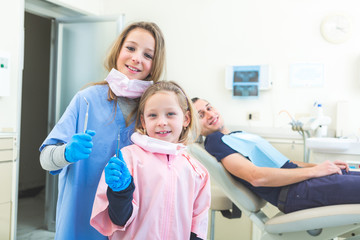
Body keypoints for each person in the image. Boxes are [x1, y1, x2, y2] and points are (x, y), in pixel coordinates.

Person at [39, 21, 166, 240]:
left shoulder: (155, 112)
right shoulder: (86, 100)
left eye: (148, 55)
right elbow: (45, 159)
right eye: (131, 48)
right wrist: (66, 153)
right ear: (118, 50)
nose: (137, 58)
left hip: (132, 227)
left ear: (156, 64)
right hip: (81, 223)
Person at [192, 97, 360, 214]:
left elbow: (285, 163)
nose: (210, 114)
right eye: (201, 115)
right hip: (296, 192)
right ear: (195, 126)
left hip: (304, 183)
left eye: (209, 107)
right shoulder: (215, 141)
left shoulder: (237, 135)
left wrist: (324, 167)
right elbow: (255, 177)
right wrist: (316, 172)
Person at [90, 81, 211, 240]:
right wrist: (121, 192)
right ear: (143, 121)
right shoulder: (127, 159)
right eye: (153, 115)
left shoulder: (198, 172)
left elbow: (197, 230)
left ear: (186, 119)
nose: (161, 122)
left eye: (170, 114)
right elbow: (118, 219)